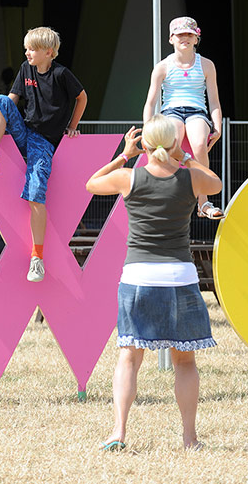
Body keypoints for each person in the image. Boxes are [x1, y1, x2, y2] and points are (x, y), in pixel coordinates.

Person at [86, 114, 222, 451]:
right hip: (180, 277)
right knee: (185, 362)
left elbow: (91, 183)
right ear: (174, 145)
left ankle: (118, 432)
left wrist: (124, 155)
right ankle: (190, 439)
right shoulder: (190, 179)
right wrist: (187, 157)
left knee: (129, 359)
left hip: (138, 277)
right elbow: (216, 184)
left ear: (145, 144)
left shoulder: (128, 178)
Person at [0, 27, 87, 282]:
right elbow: (12, 99)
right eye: (26, 48)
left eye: (31, 49)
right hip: (26, 132)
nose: (27, 53)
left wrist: (72, 127)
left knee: (35, 195)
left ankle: (37, 258)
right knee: (1, 100)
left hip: (44, 142)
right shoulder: (26, 68)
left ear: (49, 52)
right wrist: (3, 114)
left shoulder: (61, 74)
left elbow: (82, 97)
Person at [143, 16, 224, 219]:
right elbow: (151, 102)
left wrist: (218, 126)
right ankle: (169, 198)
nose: (185, 38)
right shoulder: (162, 66)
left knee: (198, 144)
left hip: (197, 112)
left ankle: (203, 202)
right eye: (180, 34)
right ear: (171, 38)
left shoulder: (206, 65)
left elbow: (214, 101)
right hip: (171, 111)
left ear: (196, 38)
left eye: (189, 34)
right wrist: (147, 129)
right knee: (172, 142)